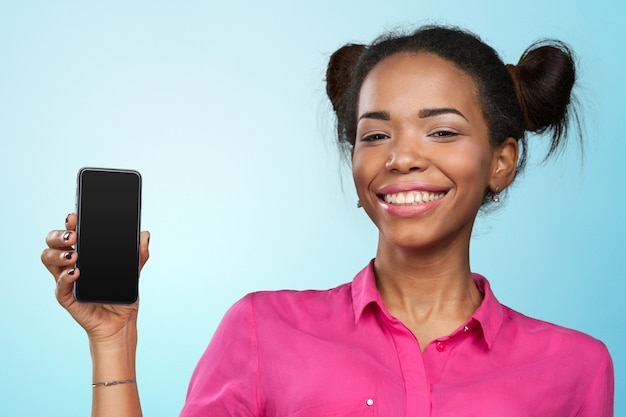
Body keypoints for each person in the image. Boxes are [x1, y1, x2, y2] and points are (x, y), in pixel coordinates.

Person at [41, 25, 614, 416]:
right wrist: (112, 341)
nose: (401, 157)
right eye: (375, 134)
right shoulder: (262, 330)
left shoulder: (576, 369)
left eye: (441, 130)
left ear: (501, 161)